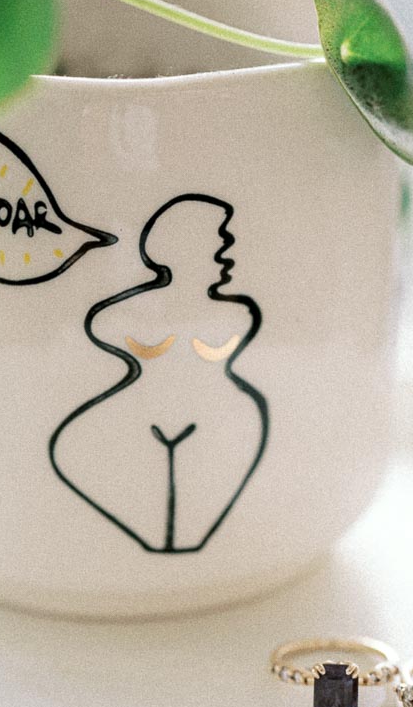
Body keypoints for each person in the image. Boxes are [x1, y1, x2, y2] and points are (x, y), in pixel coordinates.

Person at [49, 194, 269, 553]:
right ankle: (157, 540)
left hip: (214, 411)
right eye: (219, 240)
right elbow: (104, 324)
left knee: (216, 465)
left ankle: (188, 541)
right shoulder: (135, 308)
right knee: (80, 449)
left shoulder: (239, 314)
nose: (226, 249)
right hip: (140, 410)